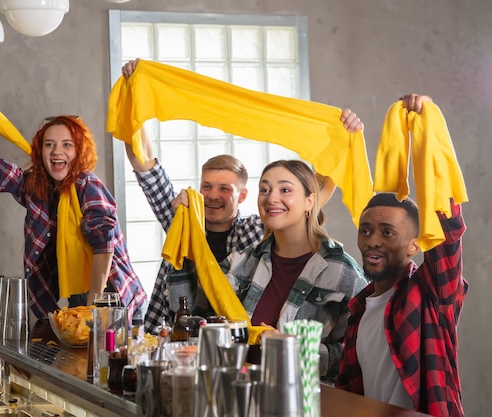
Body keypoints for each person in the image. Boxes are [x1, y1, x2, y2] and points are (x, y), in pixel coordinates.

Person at [121, 58, 365, 334]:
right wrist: (135, 95)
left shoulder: (256, 231)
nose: (213, 195)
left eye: (225, 188)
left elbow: (310, 193)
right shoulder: (187, 224)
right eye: (207, 186)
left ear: (243, 196)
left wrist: (343, 137)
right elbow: (145, 165)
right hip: (178, 340)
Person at [0, 93, 147, 321]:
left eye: (67, 145)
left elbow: (104, 248)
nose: (57, 151)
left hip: (112, 296)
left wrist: (92, 309)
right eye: (49, 145)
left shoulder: (87, 184)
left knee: (107, 356)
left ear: (80, 151)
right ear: (41, 152)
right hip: (79, 296)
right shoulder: (37, 188)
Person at [336, 95, 467, 416]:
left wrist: (427, 128)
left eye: (388, 232)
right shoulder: (357, 309)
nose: (373, 241)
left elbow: (448, 232)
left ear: (416, 245)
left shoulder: (432, 295)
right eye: (365, 230)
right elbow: (349, 393)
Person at [206, 160, 367, 381]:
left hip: (310, 405)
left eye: (285, 190)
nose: (271, 197)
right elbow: (194, 317)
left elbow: (358, 355)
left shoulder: (344, 274)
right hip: (240, 398)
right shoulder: (240, 263)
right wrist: (185, 217)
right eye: (264, 189)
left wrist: (292, 350)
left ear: (310, 202)